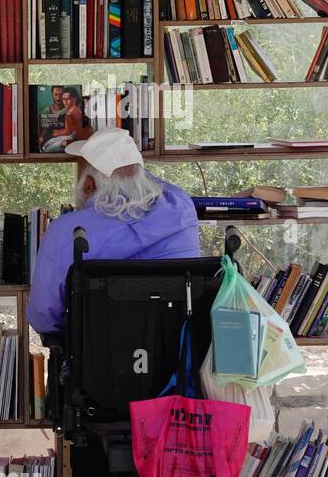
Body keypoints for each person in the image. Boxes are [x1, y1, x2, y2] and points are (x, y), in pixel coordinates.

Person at [26, 127, 200, 335]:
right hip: (176, 357)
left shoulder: (66, 232)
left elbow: (43, 319)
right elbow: (153, 183)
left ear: (89, 185)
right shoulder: (181, 208)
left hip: (96, 361)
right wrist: (129, 168)